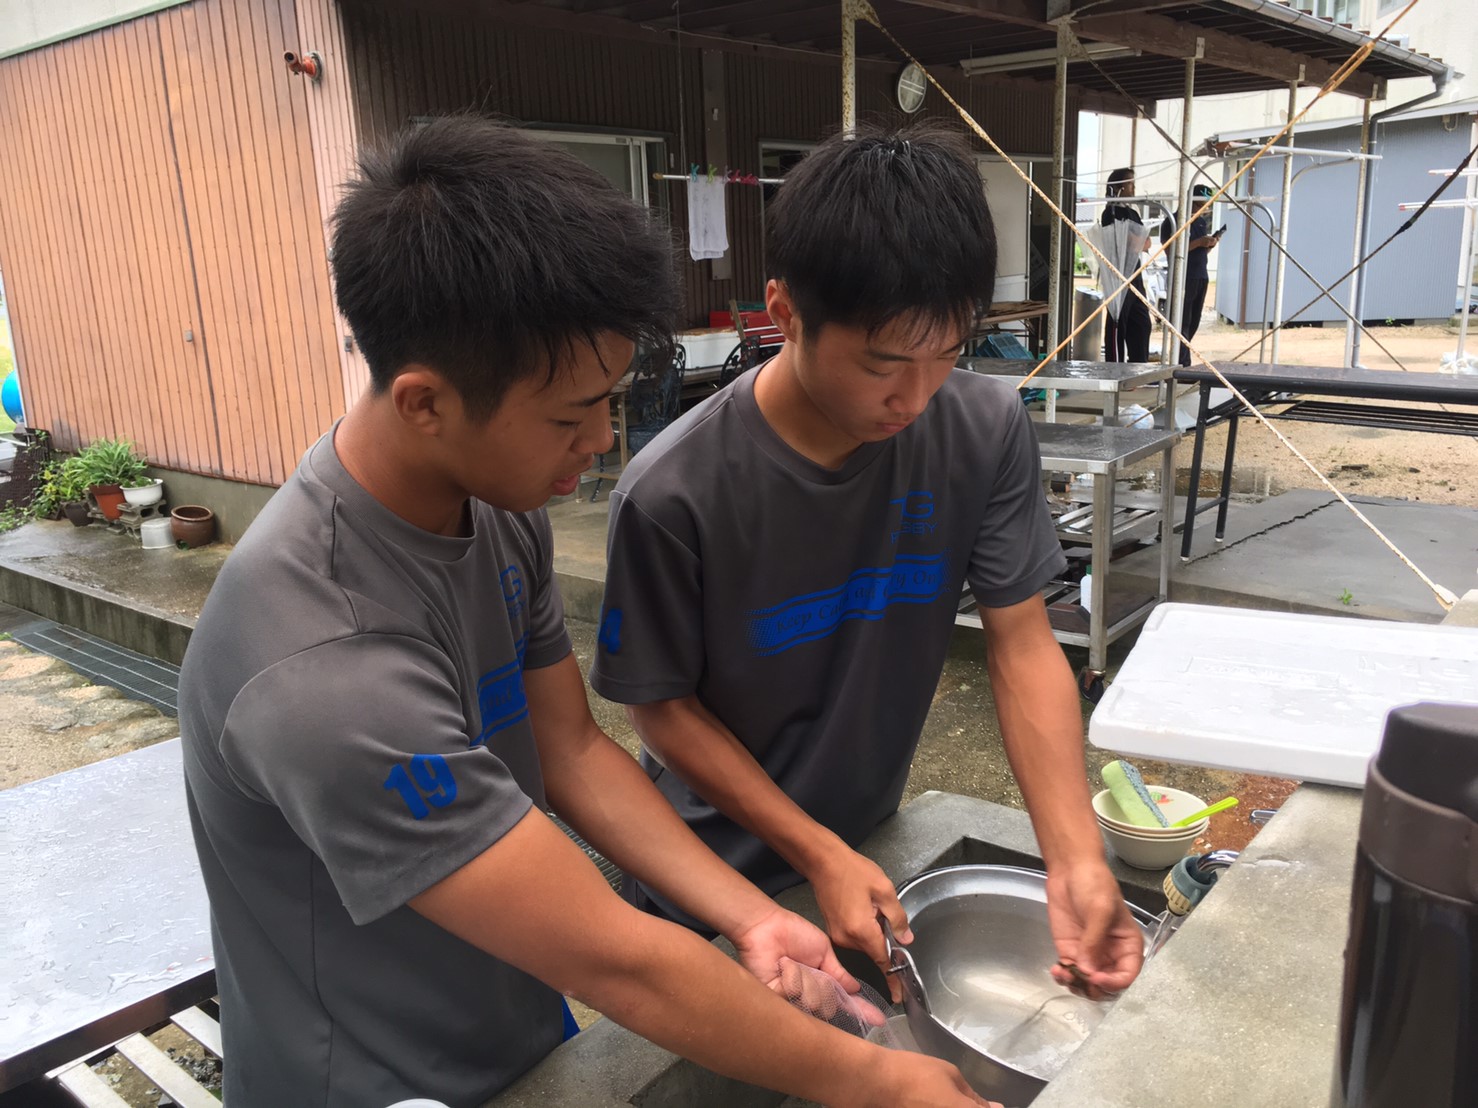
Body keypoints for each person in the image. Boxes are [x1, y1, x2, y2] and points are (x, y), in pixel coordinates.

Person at [178, 116, 991, 1108]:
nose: (602, 439)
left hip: (516, 1026)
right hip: (368, 1080)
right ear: (425, 402)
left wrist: (749, 914)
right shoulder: (319, 664)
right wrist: (881, 1082)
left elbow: (569, 750)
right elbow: (618, 962)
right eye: (569, 415)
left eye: (609, 398)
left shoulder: (492, 507)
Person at [589, 122, 1144, 1002]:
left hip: (864, 848)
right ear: (784, 314)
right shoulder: (673, 492)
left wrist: (1074, 856)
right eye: (883, 363)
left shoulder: (982, 429)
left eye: (946, 355)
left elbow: (1021, 642)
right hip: (710, 886)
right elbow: (661, 711)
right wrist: (815, 851)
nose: (913, 398)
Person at [1161, 182, 1223, 367]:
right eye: (1200, 205)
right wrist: (1198, 242)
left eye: (1206, 206)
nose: (1203, 209)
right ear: (1189, 201)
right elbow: (1171, 250)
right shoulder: (1173, 221)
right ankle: (1182, 362)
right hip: (1183, 277)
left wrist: (1209, 244)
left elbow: (1199, 251)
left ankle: (1182, 357)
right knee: (1183, 320)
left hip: (1201, 275)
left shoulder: (1201, 222)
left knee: (1194, 320)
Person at [1099, 167, 1152, 362]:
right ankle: (1114, 366)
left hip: (1135, 272)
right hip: (1118, 274)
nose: (1133, 187)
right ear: (1118, 187)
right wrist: (1138, 241)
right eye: (1130, 183)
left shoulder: (1133, 213)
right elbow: (1132, 242)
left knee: (1142, 322)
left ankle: (1139, 364)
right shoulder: (1111, 213)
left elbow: (1146, 243)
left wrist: (1138, 241)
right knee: (1118, 322)